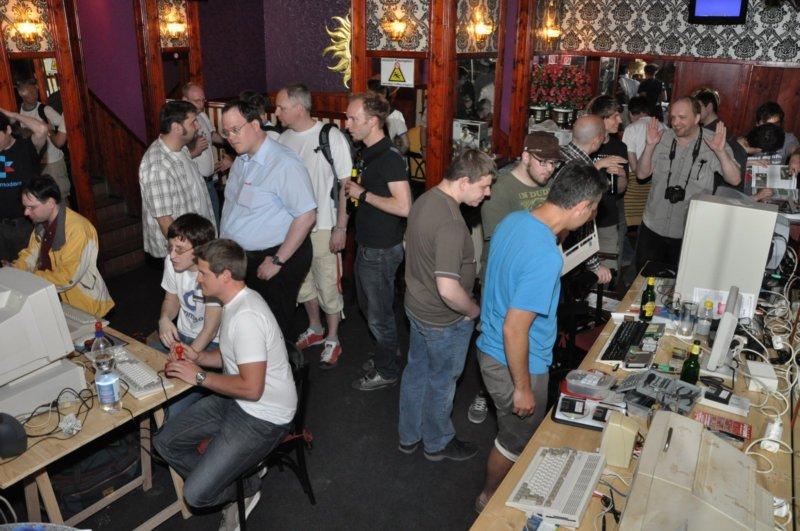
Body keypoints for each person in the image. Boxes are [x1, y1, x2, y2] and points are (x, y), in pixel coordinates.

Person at [473, 163, 607, 513]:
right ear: (581, 206)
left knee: (513, 434)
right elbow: (515, 328)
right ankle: (489, 502)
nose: (593, 216)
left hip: (490, 349)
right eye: (593, 209)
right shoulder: (545, 256)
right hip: (517, 361)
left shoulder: (515, 220)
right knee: (515, 441)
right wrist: (522, 388)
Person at [153, 239, 297, 531]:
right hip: (237, 400)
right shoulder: (234, 301)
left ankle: (246, 487)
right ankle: (236, 477)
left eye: (203, 273)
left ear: (226, 276)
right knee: (163, 442)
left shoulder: (246, 317)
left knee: (195, 495)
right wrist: (199, 357)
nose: (198, 278)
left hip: (264, 416)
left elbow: (252, 388)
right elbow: (231, 355)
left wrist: (198, 376)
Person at [399, 149, 494, 462]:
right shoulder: (452, 222)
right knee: (441, 382)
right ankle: (437, 443)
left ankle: (409, 435)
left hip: (416, 307)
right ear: (464, 181)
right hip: (443, 320)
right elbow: (448, 289)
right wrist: (473, 311)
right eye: (484, 186)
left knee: (416, 372)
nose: (488, 193)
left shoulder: (424, 199)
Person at [468, 132, 563, 425]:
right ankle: (486, 392)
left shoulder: (548, 187)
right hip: (501, 277)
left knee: (527, 335)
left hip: (533, 273)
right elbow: (506, 243)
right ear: (525, 156)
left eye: (553, 164)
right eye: (543, 162)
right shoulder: (500, 190)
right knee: (497, 338)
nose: (549, 169)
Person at [219, 98, 316, 339]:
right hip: (242, 258)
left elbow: (306, 215)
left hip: (273, 257)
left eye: (235, 130)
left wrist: (277, 260)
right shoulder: (242, 158)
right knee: (247, 326)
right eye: (226, 132)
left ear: (255, 124)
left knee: (272, 330)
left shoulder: (283, 163)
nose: (230, 137)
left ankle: (282, 363)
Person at [276, 84, 352, 368]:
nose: (277, 112)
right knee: (303, 283)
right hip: (292, 228)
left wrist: (341, 227)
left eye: (282, 107)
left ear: (299, 108)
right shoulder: (283, 139)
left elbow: (345, 185)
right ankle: (315, 328)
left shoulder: (330, 136)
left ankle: (333, 337)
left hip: (324, 226)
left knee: (328, 284)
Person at [344, 91, 411, 391]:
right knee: (372, 310)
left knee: (379, 315)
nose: (347, 124)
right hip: (369, 245)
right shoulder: (368, 153)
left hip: (381, 250)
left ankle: (387, 370)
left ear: (373, 121)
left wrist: (364, 194)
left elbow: (405, 207)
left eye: (352, 119)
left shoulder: (389, 158)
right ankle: (387, 353)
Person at [635, 97, 740, 270]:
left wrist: (721, 152)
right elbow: (641, 174)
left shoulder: (713, 142)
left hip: (689, 232)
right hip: (653, 227)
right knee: (644, 279)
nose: (676, 122)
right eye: (672, 117)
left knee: (680, 283)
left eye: (682, 117)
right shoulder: (661, 138)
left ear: (697, 118)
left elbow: (734, 179)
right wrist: (649, 146)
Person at [5, 175, 113, 317]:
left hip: (86, 308)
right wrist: (15, 269)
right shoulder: (42, 223)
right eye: (25, 207)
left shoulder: (78, 229)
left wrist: (28, 277)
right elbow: (30, 254)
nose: (26, 212)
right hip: (56, 301)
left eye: (31, 207)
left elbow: (66, 278)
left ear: (50, 203)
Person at [149, 213, 220, 419]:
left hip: (212, 346)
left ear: (200, 249)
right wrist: (164, 319)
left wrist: (185, 357)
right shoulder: (172, 263)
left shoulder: (214, 271)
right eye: (170, 247)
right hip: (182, 338)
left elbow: (210, 330)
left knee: (173, 405)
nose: (172, 255)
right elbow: (171, 299)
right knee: (142, 371)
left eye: (179, 249)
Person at [138, 100, 216, 262]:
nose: (198, 126)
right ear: (176, 127)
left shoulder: (182, 149)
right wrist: (188, 256)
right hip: (181, 254)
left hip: (197, 245)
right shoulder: (158, 165)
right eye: (193, 122)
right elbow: (165, 222)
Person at [559, 114, 616, 284]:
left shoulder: (558, 154)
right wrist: (594, 265)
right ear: (597, 139)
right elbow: (584, 220)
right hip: (567, 253)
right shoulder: (585, 170)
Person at [587, 95, 629, 276]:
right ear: (601, 119)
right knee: (582, 274)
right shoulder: (586, 144)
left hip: (608, 219)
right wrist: (600, 164)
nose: (620, 120)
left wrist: (622, 176)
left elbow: (620, 189)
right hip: (582, 220)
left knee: (609, 274)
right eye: (615, 116)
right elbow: (574, 181)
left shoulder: (620, 147)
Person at [0, 108, 47, 262]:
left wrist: (12, 115)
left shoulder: (26, 148)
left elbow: (42, 129)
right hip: (2, 228)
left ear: (8, 130)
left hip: (26, 226)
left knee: (32, 269)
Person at [17, 79, 70, 202]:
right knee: (43, 198)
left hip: (53, 161)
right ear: (22, 95)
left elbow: (63, 126)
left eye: (35, 91)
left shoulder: (45, 110)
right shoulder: (18, 113)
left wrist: (49, 130)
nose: (35, 95)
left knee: (61, 196)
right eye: (31, 92)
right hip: (36, 164)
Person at [182, 83, 226, 225]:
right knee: (201, 227)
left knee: (215, 223)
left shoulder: (202, 115)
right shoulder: (179, 122)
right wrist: (194, 152)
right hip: (195, 186)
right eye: (197, 101)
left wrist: (229, 141)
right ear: (185, 100)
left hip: (210, 182)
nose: (201, 105)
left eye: (203, 100)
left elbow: (211, 135)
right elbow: (176, 157)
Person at [693, 88, 748, 185]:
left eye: (698, 107)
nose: (695, 111)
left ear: (709, 107)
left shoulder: (713, 132)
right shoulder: (721, 126)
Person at [623, 96, 663, 173]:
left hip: (637, 176)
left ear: (630, 113)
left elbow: (633, 166)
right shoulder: (663, 127)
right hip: (658, 175)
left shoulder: (631, 129)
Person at [367, 80, 409, 154]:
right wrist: (396, 156)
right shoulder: (396, 115)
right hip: (387, 155)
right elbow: (405, 144)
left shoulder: (365, 112)